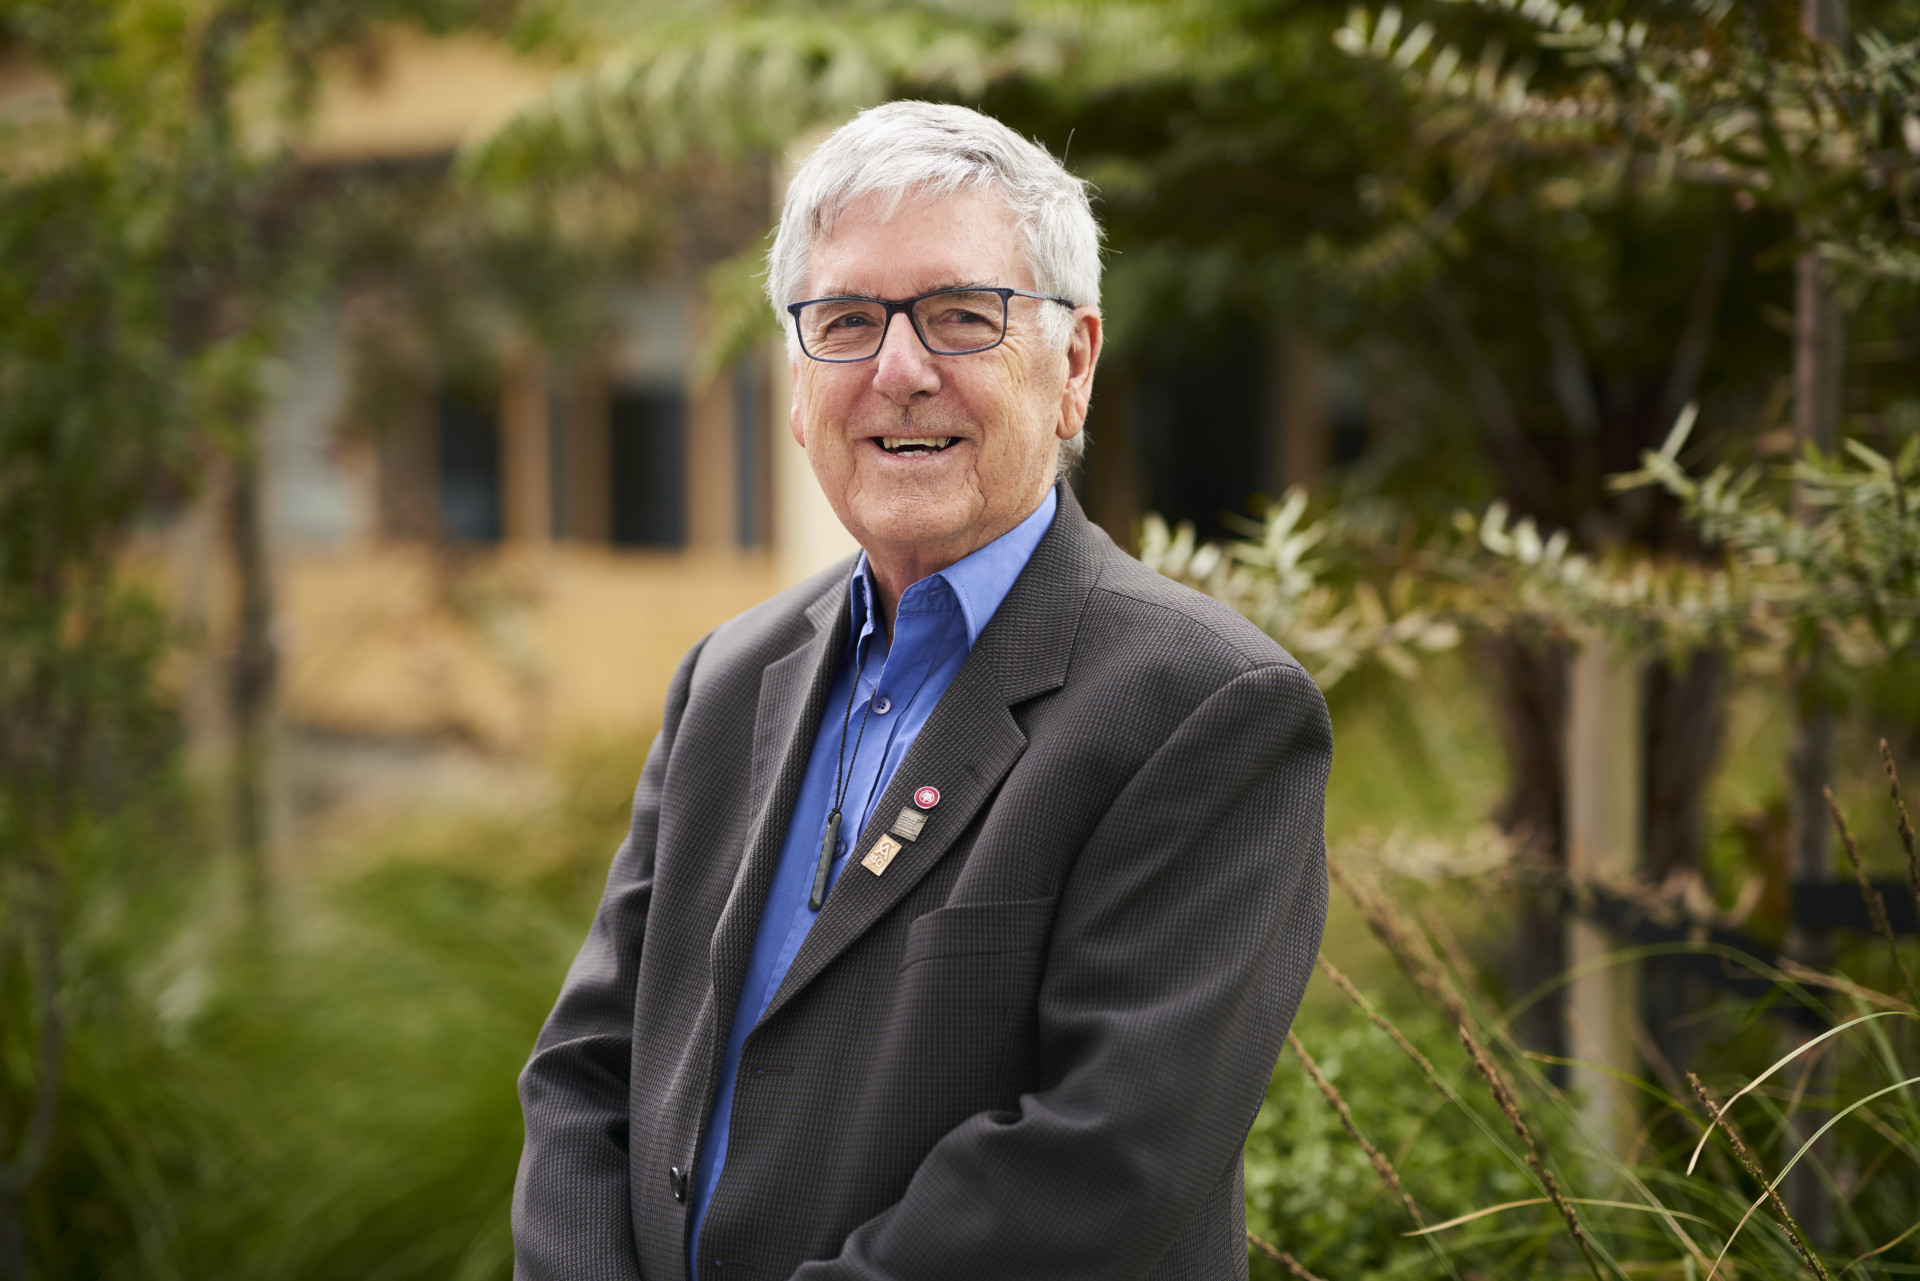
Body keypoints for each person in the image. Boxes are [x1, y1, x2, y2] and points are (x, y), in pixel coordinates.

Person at [511, 100, 1331, 1281]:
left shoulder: (1205, 706)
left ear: (1074, 365)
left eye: (960, 315)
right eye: (846, 321)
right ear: (798, 384)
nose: (899, 372)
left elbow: (1101, 1163)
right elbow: (586, 1068)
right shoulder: (728, 679)